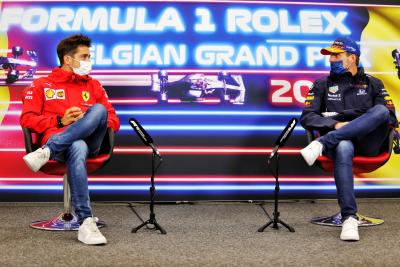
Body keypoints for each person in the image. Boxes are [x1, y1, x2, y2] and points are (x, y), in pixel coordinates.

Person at [20, 34, 120, 245]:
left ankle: (46, 151)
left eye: (89, 56)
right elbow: (27, 119)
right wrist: (59, 120)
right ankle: (85, 222)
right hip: (66, 146)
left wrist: (88, 123)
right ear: (67, 59)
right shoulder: (41, 85)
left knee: (99, 110)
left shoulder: (93, 85)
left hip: (91, 143)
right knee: (77, 144)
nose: (88, 61)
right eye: (84, 56)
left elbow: (112, 119)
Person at [300, 37, 398, 241]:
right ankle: (349, 219)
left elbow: (389, 117)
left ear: (352, 58)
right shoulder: (321, 84)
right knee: (344, 145)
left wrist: (347, 117)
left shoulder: (373, 83)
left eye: (336, 55)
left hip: (369, 143)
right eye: (330, 56)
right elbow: (307, 116)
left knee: (380, 110)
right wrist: (335, 124)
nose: (331, 60)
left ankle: (322, 143)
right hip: (341, 143)